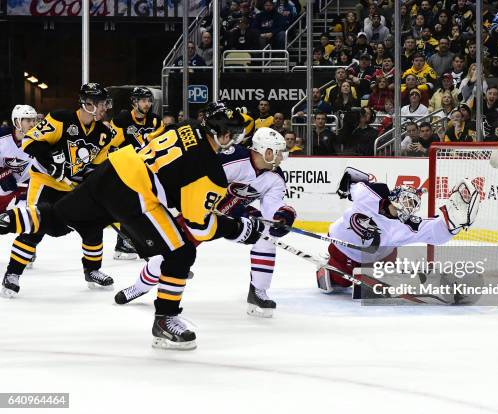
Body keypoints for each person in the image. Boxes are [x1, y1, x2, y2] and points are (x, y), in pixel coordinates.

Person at [0, 102, 271, 350]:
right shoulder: (210, 169)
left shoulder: (186, 125)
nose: (235, 141)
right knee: (181, 252)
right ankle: (165, 320)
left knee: (59, 219)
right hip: (135, 195)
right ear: (224, 136)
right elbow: (199, 226)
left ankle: (7, 219)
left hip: (113, 169)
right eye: (234, 135)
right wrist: (238, 230)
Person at [115, 126, 294, 319]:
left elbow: (272, 207)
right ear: (267, 152)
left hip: (233, 222)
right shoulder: (232, 159)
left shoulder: (275, 177)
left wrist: (281, 216)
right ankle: (139, 287)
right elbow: (202, 187)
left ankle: (258, 291)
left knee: (266, 235)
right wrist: (241, 210)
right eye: (278, 153)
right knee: (173, 252)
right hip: (200, 214)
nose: (281, 158)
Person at [0, 83, 115, 298]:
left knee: (92, 225)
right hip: (46, 182)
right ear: (87, 103)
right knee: (35, 226)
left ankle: (92, 270)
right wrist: (52, 163)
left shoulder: (103, 134)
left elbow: (95, 166)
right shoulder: (61, 119)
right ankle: (12, 273)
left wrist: (91, 184)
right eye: (101, 104)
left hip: (71, 188)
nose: (104, 108)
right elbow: (30, 141)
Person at [315, 168, 481, 294]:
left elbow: (434, 231)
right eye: (407, 200)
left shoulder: (406, 226)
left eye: (413, 205)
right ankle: (328, 266)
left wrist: (454, 223)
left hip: (375, 257)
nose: (408, 207)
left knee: (380, 279)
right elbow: (351, 176)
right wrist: (344, 188)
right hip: (341, 248)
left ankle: (376, 275)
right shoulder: (369, 195)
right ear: (396, 195)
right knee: (334, 285)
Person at [109, 87, 166, 260]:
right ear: (134, 102)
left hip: (147, 170)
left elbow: (160, 145)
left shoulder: (155, 121)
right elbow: (111, 146)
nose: (147, 104)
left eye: (149, 100)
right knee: (131, 205)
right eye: (143, 100)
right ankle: (124, 244)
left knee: (147, 205)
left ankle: (133, 241)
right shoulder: (122, 119)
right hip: (125, 169)